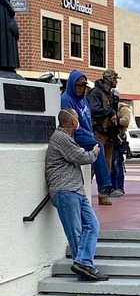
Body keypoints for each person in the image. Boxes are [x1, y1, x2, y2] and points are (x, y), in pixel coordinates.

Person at [45, 108, 109, 281]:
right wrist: (95, 152)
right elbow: (82, 157)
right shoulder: (61, 138)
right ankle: (84, 270)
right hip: (65, 191)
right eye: (78, 117)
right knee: (75, 233)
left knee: (92, 225)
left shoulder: (68, 138)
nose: (80, 120)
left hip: (76, 190)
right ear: (73, 122)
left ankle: (83, 262)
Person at [61, 69, 122, 205]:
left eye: (83, 85)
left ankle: (104, 192)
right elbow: (71, 123)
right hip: (81, 134)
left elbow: (87, 118)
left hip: (101, 133)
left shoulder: (84, 99)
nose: (80, 88)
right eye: (78, 85)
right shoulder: (67, 99)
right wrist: (108, 112)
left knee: (107, 161)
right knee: (97, 151)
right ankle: (104, 186)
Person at [87, 69, 120, 172]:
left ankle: (105, 187)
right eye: (115, 79)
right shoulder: (96, 92)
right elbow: (94, 110)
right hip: (99, 132)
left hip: (108, 133)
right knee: (94, 165)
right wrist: (110, 112)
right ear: (109, 79)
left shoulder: (109, 94)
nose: (116, 82)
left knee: (107, 166)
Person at [110, 89, 131, 194]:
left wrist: (116, 120)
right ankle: (111, 187)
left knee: (117, 163)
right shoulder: (108, 108)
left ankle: (119, 187)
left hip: (119, 139)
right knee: (110, 165)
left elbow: (126, 121)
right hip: (110, 139)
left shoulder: (123, 109)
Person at [0, 0, 20, 75]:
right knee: (3, 34)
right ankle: (3, 63)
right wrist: (9, 6)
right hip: (2, 7)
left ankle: (9, 65)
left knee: (9, 35)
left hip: (5, 5)